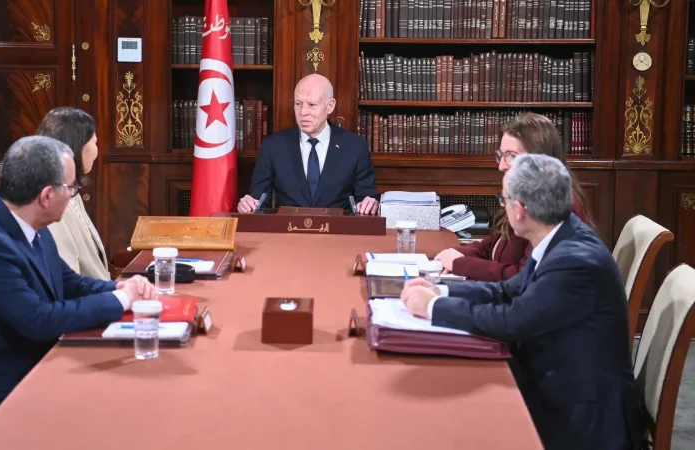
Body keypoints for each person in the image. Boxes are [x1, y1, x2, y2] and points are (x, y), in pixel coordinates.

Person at [401, 154, 642, 450]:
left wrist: (431, 308)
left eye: (503, 200)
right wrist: (440, 292)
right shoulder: (560, 235)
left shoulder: (574, 261)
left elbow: (512, 321)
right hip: (559, 382)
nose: (503, 207)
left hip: (581, 416)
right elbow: (507, 291)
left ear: (519, 209)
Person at [0, 136, 154, 441]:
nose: (74, 195)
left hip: (32, 367)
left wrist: (118, 286)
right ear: (47, 195)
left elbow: (70, 283)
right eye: (71, 188)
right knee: (122, 408)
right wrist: (120, 300)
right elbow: (39, 320)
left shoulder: (28, 223)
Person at [434, 112, 592, 281]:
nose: (502, 166)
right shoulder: (525, 194)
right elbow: (492, 247)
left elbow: (522, 278)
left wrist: (461, 264)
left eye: (512, 156)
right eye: (502, 155)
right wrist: (453, 254)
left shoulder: (558, 208)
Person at [238, 74, 379, 214]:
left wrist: (369, 203)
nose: (303, 112)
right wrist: (249, 204)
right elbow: (259, 200)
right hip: (288, 227)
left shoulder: (355, 146)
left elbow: (365, 199)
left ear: (330, 106)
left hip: (337, 227)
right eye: (298, 104)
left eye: (312, 105)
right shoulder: (273, 146)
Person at [36, 107, 110, 280]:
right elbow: (66, 279)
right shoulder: (52, 199)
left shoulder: (70, 190)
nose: (96, 151)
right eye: (95, 143)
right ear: (78, 147)